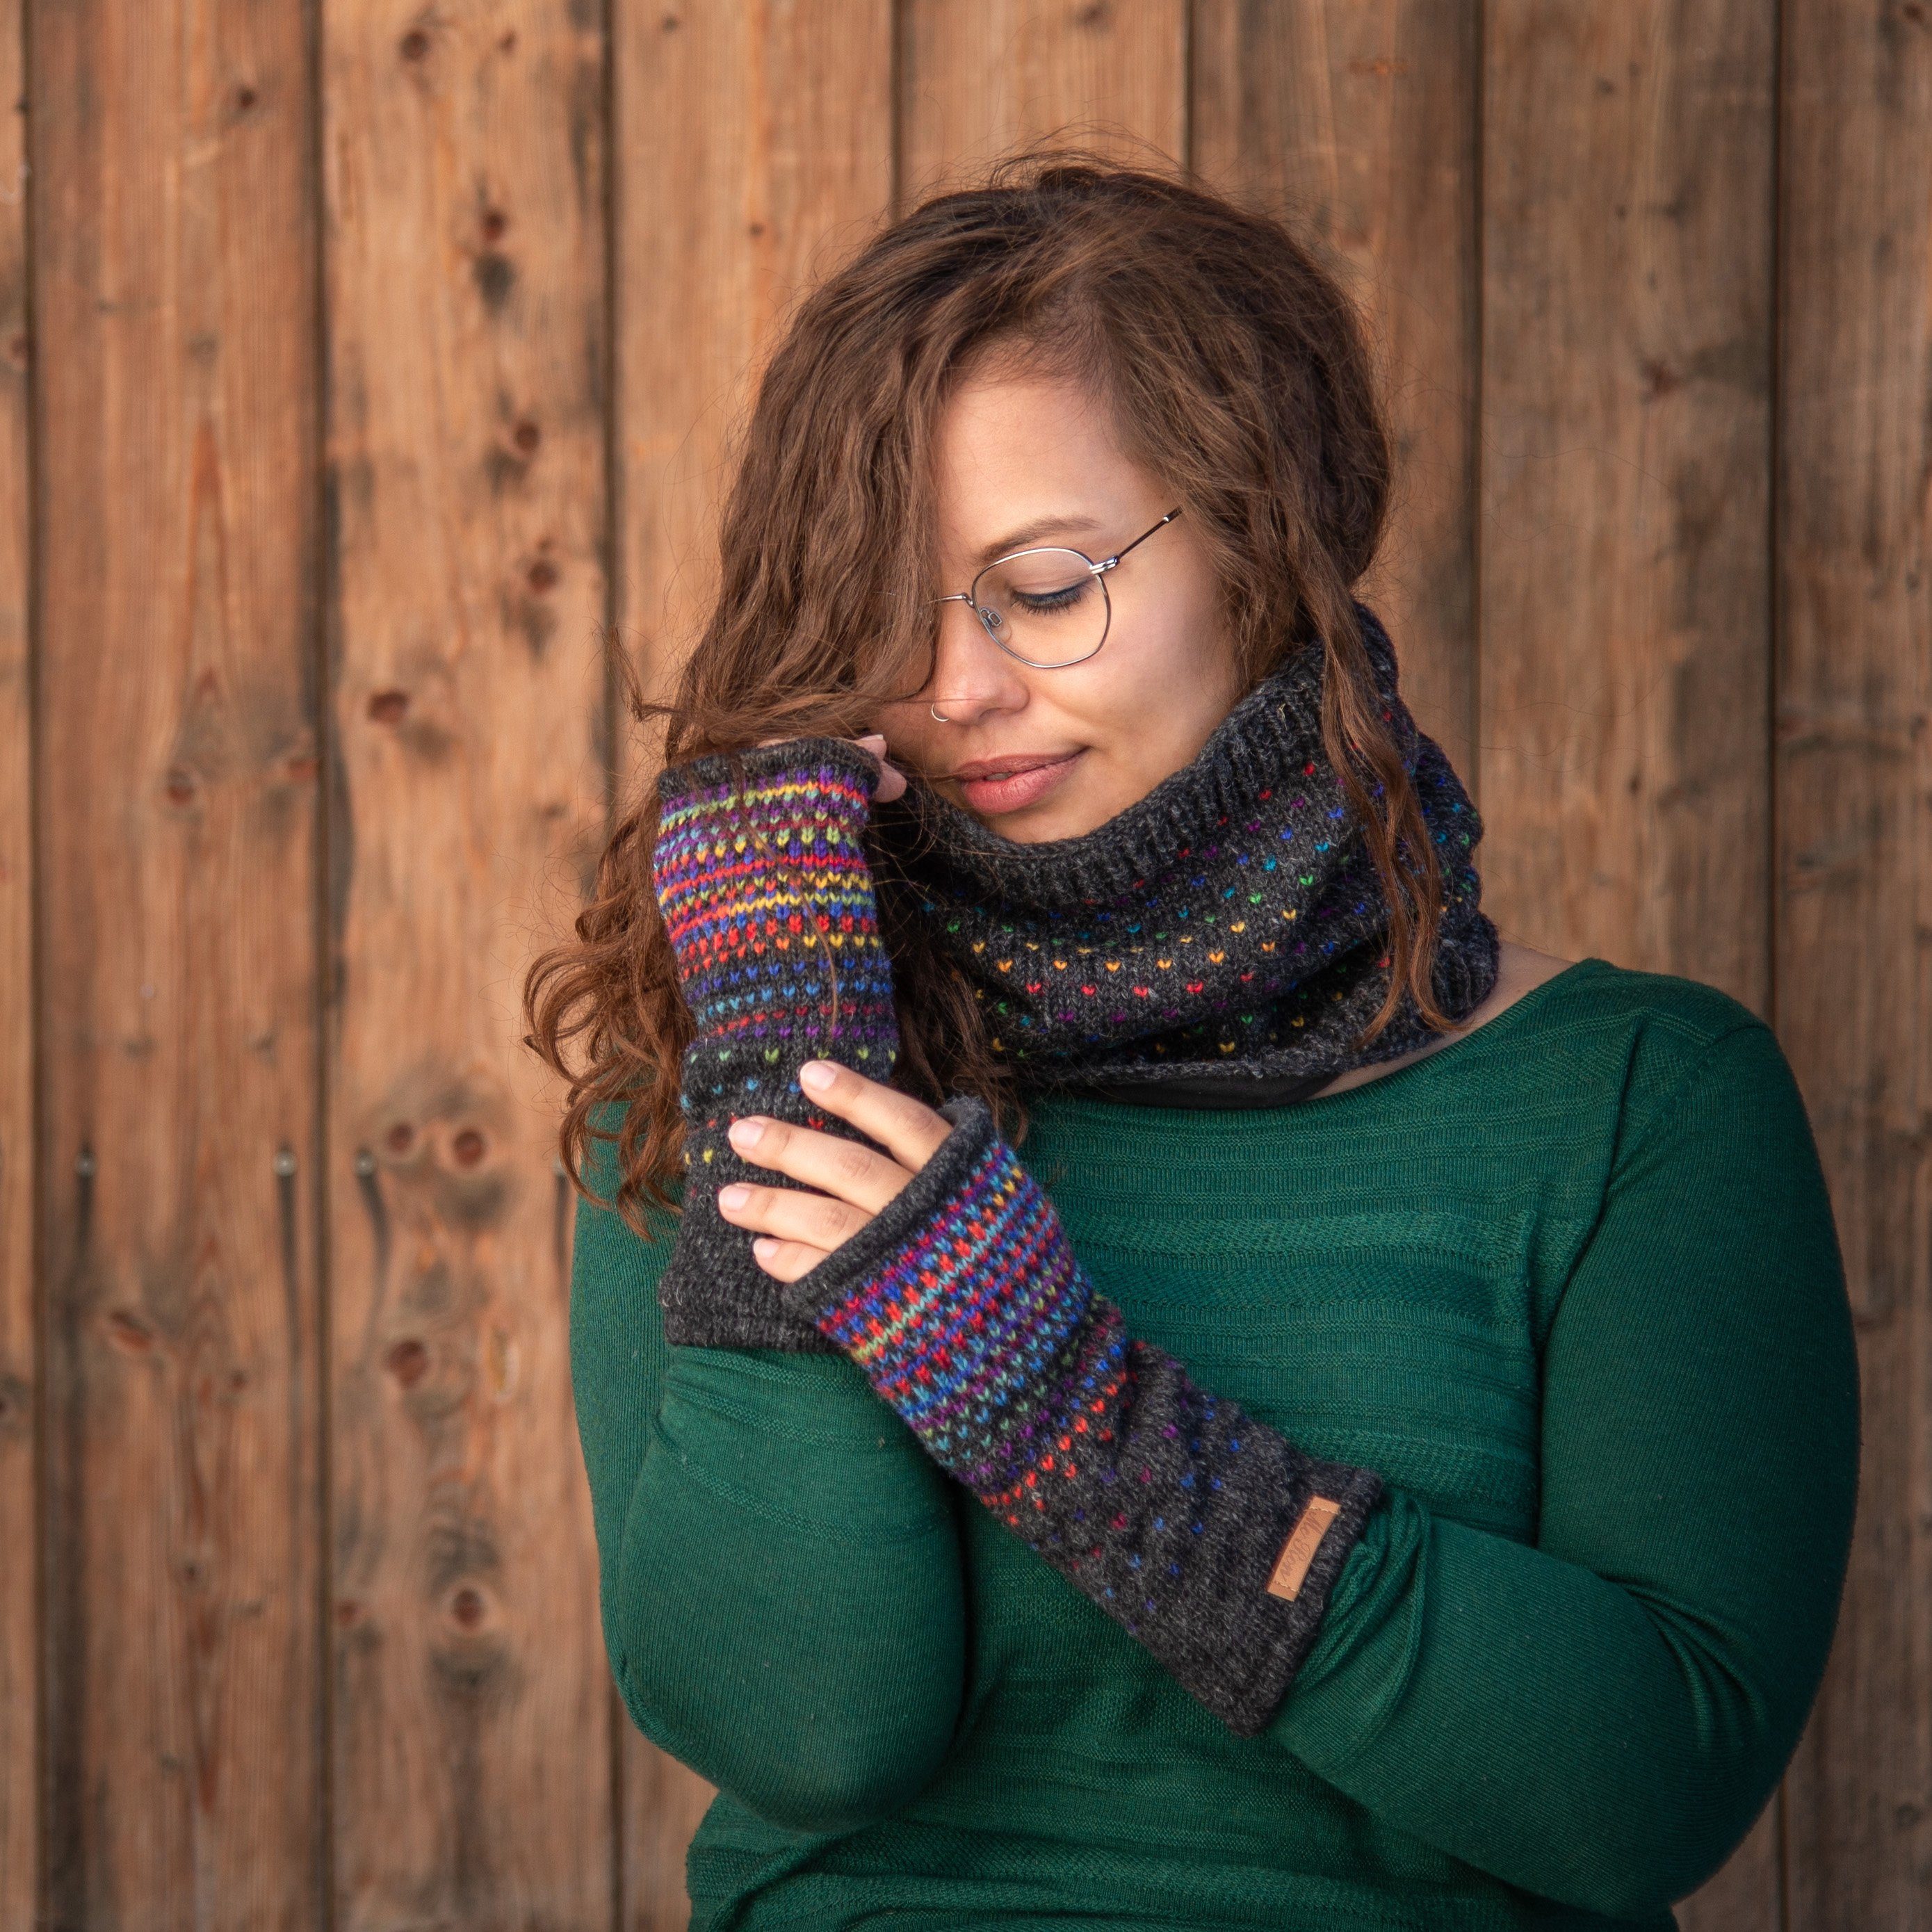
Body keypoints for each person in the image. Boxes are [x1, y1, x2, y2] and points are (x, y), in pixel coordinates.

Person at [526, 151, 1860, 1931]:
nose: (953, 688)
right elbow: (804, 1733)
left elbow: (1641, 1794)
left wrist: (1073, 1407)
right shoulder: (742, 1085)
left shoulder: (1629, 1102)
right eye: (877, 612)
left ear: (1257, 541)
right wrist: (788, 1079)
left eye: (1044, 582)